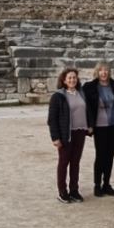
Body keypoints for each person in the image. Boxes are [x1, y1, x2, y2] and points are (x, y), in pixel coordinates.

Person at [47, 67, 90, 204]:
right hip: (66, 133)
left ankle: (74, 190)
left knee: (75, 162)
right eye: (69, 78)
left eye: (74, 78)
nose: (72, 80)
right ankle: (62, 192)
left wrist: (89, 125)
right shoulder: (58, 96)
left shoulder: (81, 93)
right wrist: (55, 137)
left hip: (80, 132)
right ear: (64, 80)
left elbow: (87, 111)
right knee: (64, 162)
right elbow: (52, 119)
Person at [82, 62, 114, 197]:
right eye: (101, 70)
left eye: (106, 70)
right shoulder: (90, 87)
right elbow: (85, 107)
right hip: (99, 127)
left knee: (110, 156)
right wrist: (89, 124)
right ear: (97, 72)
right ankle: (97, 185)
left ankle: (107, 184)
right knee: (100, 156)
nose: (104, 73)